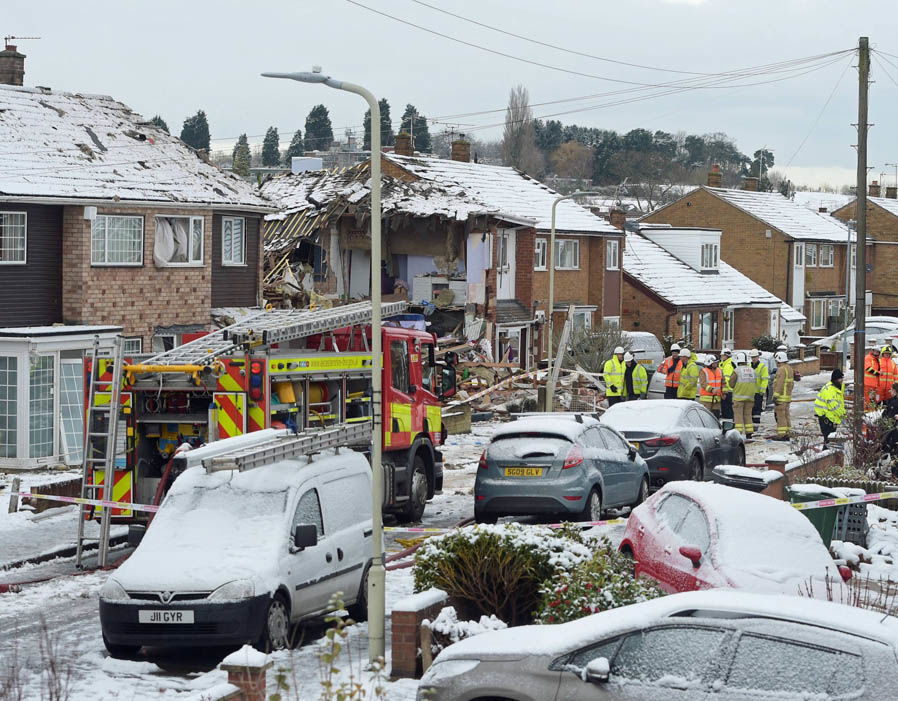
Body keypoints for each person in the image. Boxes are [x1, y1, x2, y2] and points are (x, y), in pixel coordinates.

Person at [728, 352, 757, 438]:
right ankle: (749, 432)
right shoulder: (752, 370)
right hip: (750, 397)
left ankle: (738, 432)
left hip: (739, 397)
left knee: (738, 416)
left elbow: (731, 384)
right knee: (748, 415)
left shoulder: (736, 371)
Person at [815, 369, 846, 446]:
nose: (841, 380)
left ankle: (827, 451)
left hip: (831, 418)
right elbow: (834, 406)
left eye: (842, 378)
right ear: (835, 379)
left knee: (830, 441)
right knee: (828, 440)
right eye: (840, 378)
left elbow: (840, 402)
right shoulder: (829, 390)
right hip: (826, 418)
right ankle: (826, 452)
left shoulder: (838, 387)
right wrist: (843, 415)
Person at [771, 351, 794, 440]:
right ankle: (788, 432)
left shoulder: (781, 369)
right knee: (786, 415)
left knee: (780, 416)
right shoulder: (789, 369)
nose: (776, 363)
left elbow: (780, 384)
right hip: (787, 397)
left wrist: (776, 396)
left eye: (776, 361)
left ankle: (782, 435)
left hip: (781, 398)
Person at [749, 349, 769, 433]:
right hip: (750, 392)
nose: (753, 359)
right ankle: (750, 426)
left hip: (758, 393)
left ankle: (756, 427)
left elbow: (765, 379)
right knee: (750, 410)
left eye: (755, 357)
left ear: (758, 357)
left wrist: (762, 390)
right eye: (752, 357)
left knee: (757, 411)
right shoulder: (748, 366)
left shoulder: (762, 367)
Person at [719, 348, 735, 420]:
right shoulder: (724, 364)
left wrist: (724, 391)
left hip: (727, 392)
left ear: (726, 356)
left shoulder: (728, 365)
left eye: (722, 355)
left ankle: (728, 424)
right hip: (727, 391)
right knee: (726, 411)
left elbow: (726, 380)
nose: (721, 357)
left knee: (727, 411)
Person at [864, 345, 881, 409]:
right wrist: (878, 373)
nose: (877, 353)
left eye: (878, 352)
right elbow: (868, 369)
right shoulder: (868, 358)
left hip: (874, 384)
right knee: (867, 399)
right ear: (872, 351)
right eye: (876, 351)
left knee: (872, 399)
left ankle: (871, 411)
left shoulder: (877, 360)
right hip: (868, 383)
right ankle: (866, 411)